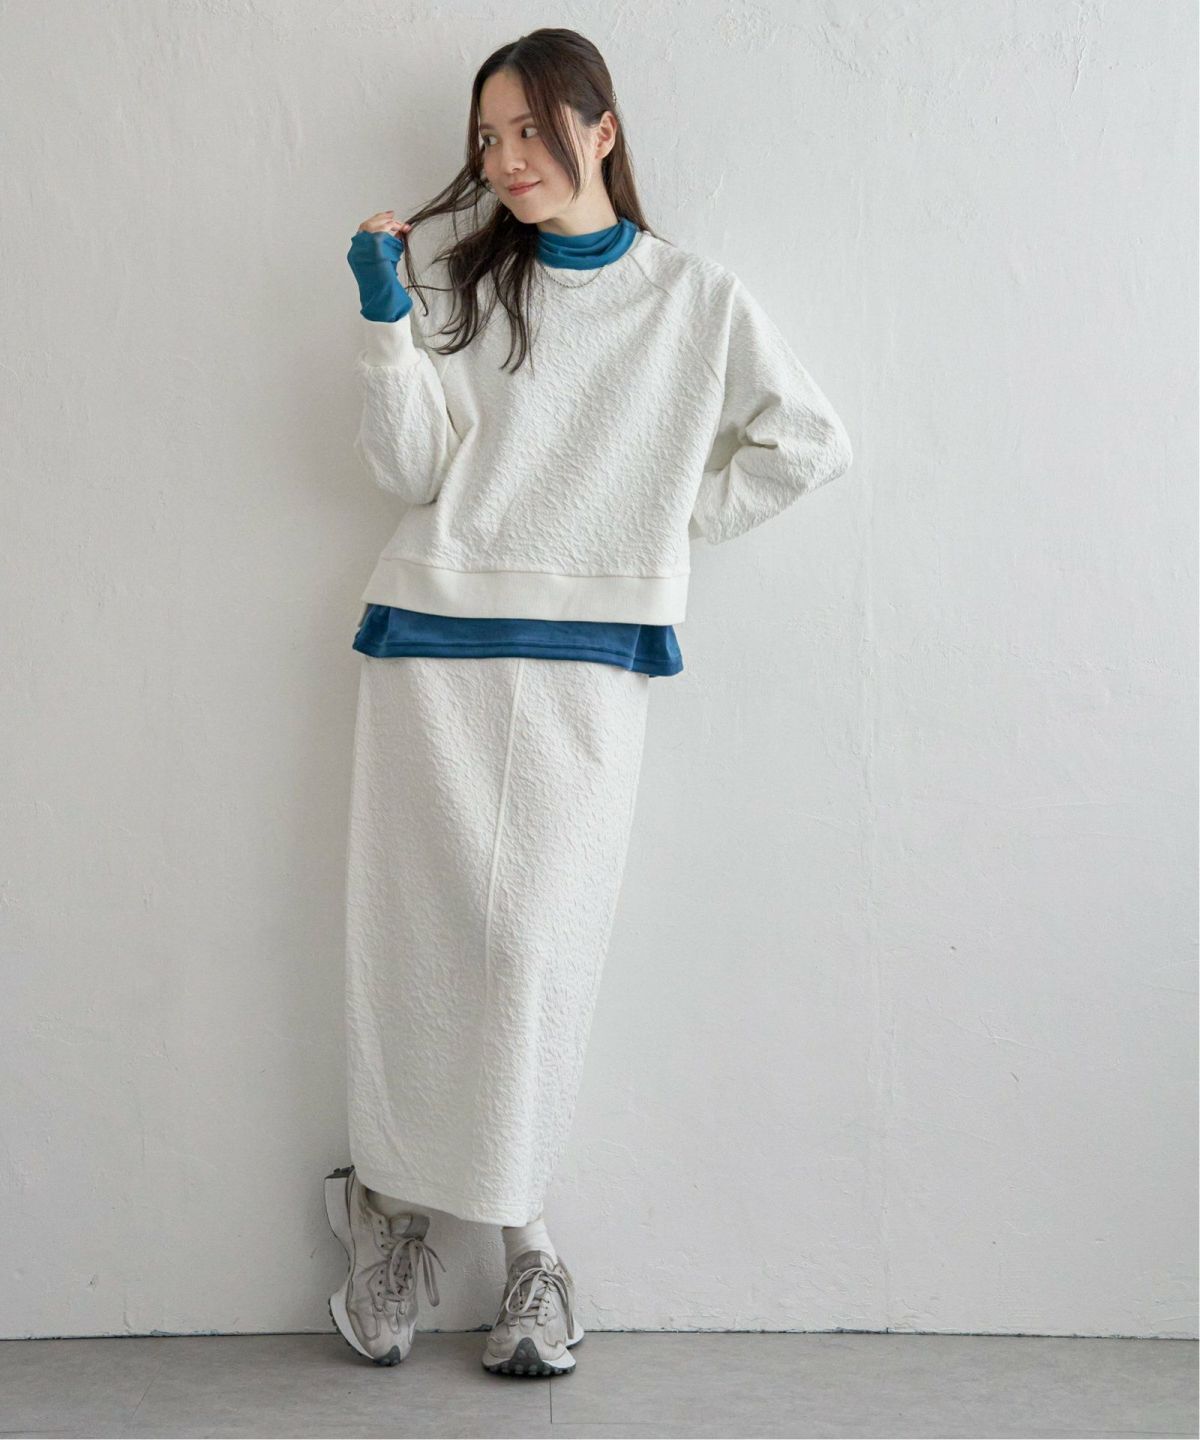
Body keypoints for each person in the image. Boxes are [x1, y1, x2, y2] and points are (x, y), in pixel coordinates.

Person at [328, 26, 854, 1380]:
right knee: (414, 948)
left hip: (588, 663)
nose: (506, 160)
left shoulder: (695, 299)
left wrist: (657, 533)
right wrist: (387, 322)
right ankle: (391, 1214)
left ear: (600, 129)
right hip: (433, 642)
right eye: (488, 138)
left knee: (533, 954)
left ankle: (527, 1243)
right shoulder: (468, 284)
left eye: (530, 130)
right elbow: (410, 471)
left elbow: (808, 442)